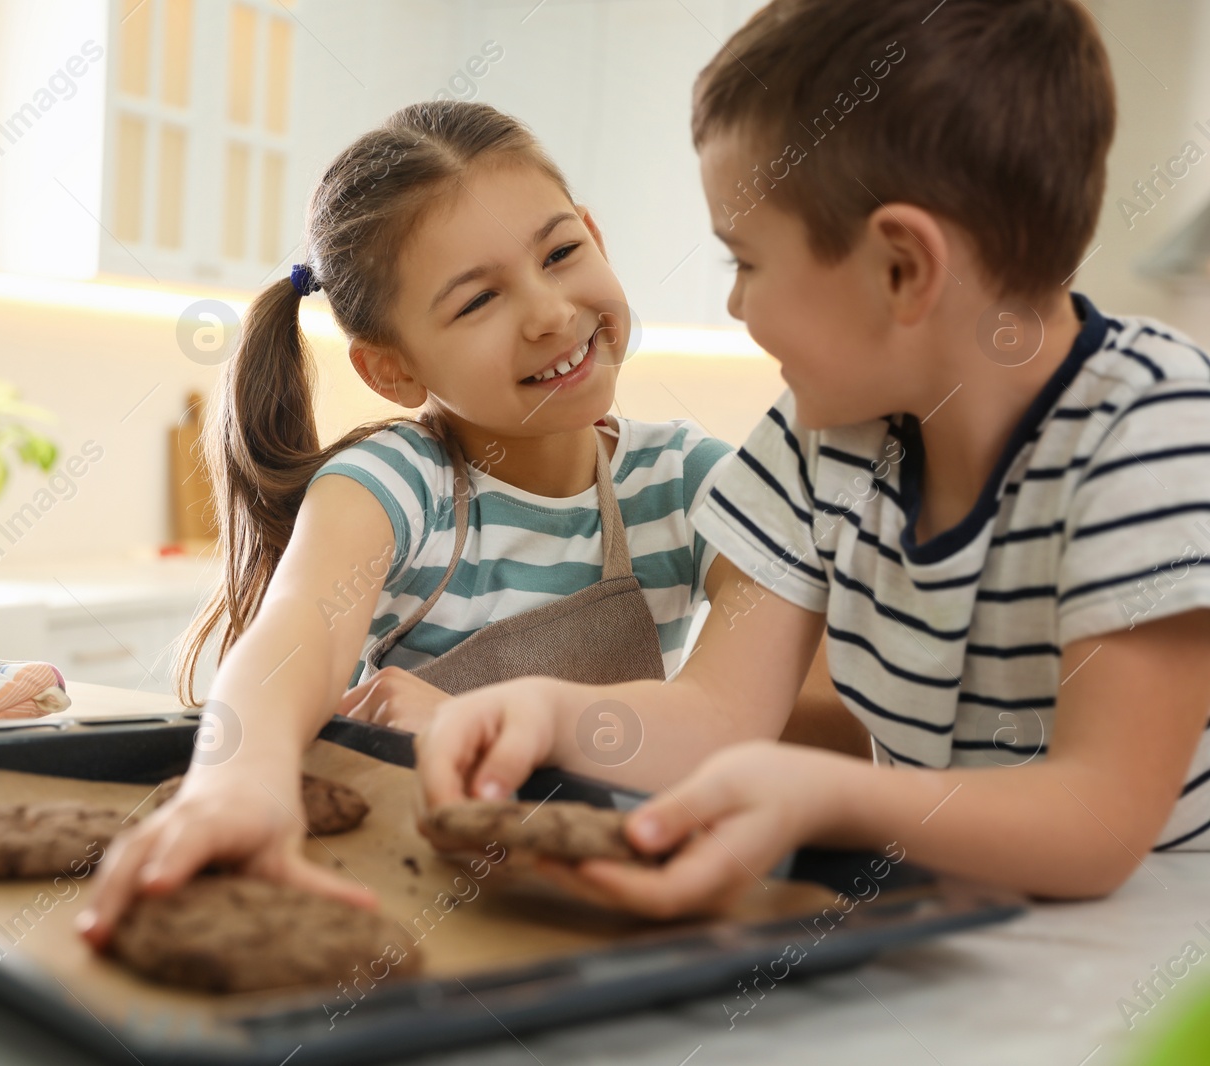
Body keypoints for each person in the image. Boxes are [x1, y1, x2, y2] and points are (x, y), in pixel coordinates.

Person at [417, 0, 1210, 917]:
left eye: (743, 262)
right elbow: (718, 716)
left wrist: (833, 796)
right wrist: (548, 716)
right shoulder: (820, 436)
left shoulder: (1154, 431)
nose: (737, 309)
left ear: (902, 269)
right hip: (942, 932)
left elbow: (1097, 822)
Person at [78, 100, 747, 947]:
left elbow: (740, 714)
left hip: (615, 906)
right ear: (392, 370)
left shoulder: (689, 482)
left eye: (561, 252)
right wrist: (235, 783)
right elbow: (296, 639)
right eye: (477, 302)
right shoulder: (398, 483)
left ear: (595, 236)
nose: (547, 311)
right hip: (412, 901)